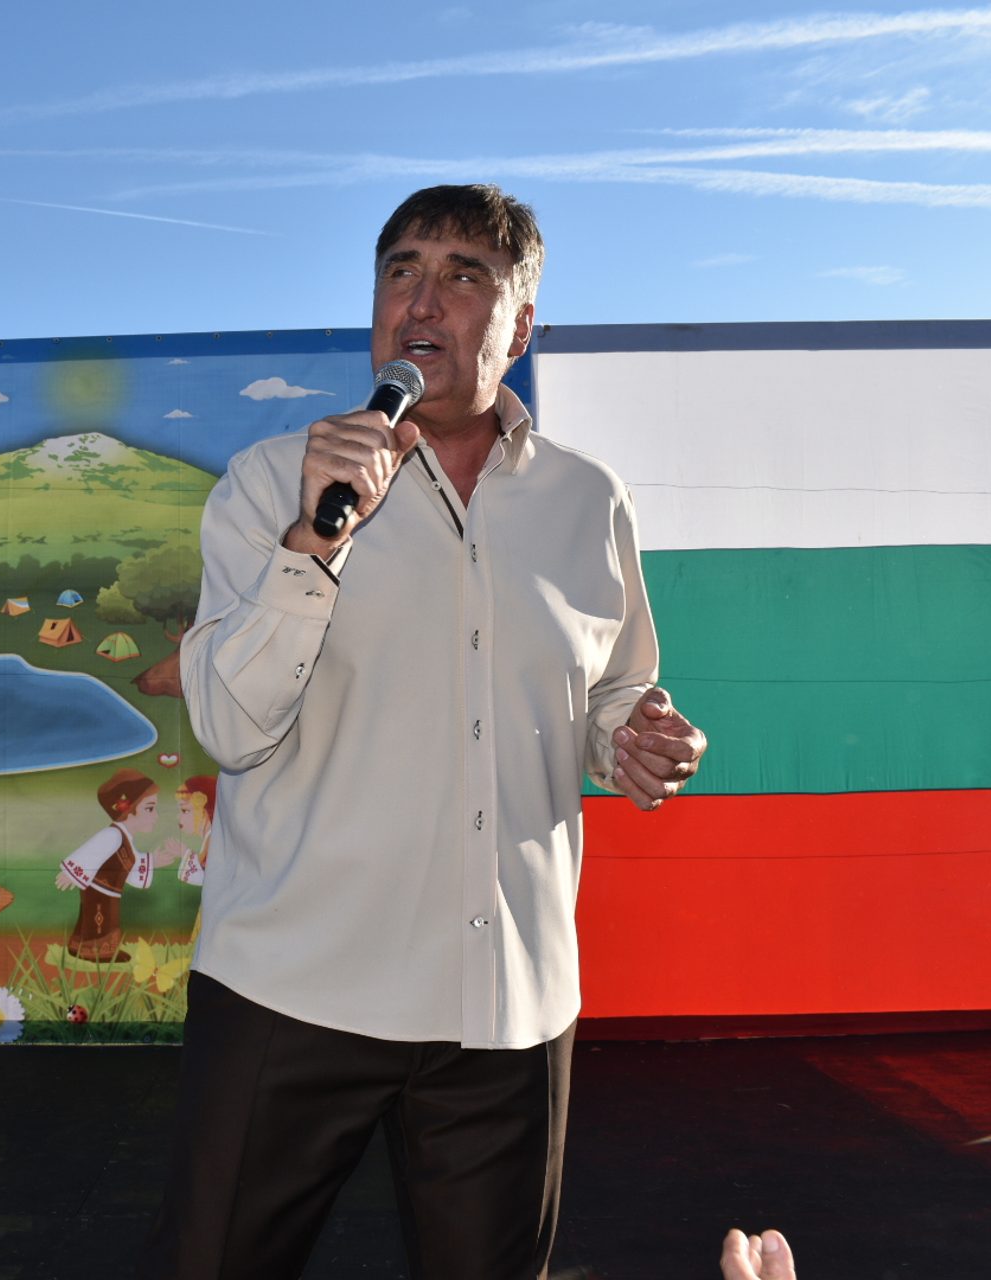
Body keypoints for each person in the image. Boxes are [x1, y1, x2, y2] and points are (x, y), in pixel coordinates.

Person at [141, 184, 708, 1279]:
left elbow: (612, 687)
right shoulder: (270, 484)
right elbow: (229, 724)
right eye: (400, 270)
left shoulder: (590, 501)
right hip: (291, 988)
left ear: (520, 327)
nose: (421, 300)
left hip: (508, 1007)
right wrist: (315, 542)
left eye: (463, 275)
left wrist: (631, 734)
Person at [55, 768, 183, 964]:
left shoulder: (124, 837)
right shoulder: (113, 835)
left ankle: (79, 944)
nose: (155, 816)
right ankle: (95, 951)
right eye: (149, 809)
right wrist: (71, 873)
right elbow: (92, 851)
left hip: (105, 891)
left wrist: (152, 861)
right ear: (128, 810)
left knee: (93, 919)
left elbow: (130, 862)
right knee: (101, 921)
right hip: (99, 891)